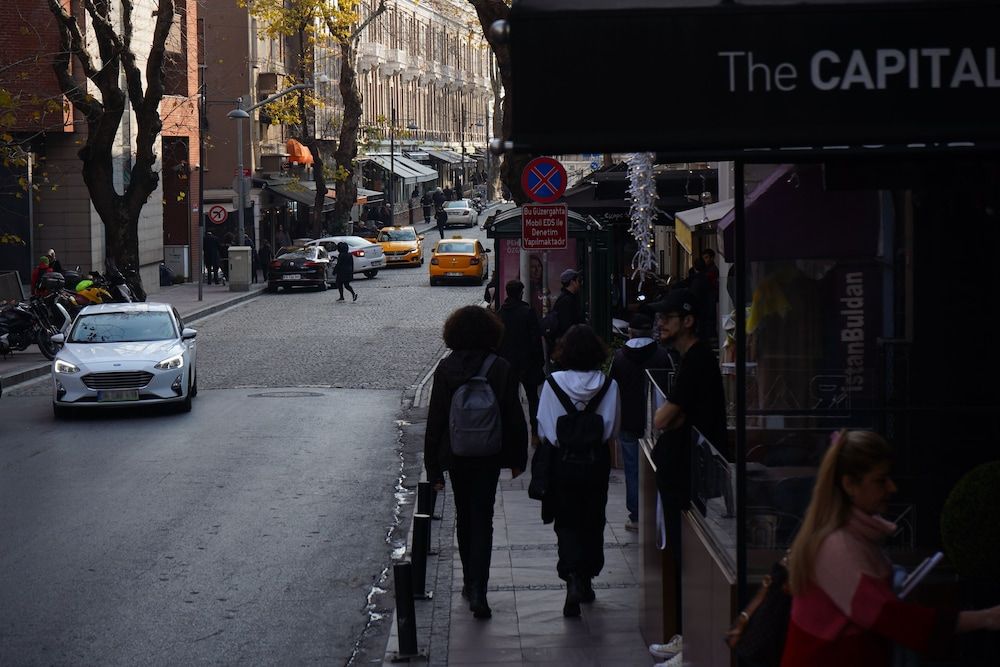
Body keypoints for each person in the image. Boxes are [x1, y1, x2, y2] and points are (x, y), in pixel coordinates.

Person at [782, 429, 1000, 666]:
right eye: (880, 480)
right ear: (849, 485)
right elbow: (891, 617)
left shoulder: (847, 539)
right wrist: (985, 618)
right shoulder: (838, 547)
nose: (892, 488)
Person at [424, 306, 528, 620]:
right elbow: (514, 416)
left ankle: (469, 581)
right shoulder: (500, 367)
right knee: (483, 518)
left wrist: (433, 468)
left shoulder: (446, 368)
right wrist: (517, 458)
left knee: (464, 516)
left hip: (456, 454)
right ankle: (480, 590)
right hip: (489, 454)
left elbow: (436, 419)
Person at [648, 287, 727, 664]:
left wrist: (668, 417)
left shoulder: (696, 361)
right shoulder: (689, 358)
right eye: (658, 317)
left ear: (688, 321)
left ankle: (688, 641)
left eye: (667, 318)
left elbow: (663, 418)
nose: (659, 323)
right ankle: (685, 637)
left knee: (688, 557)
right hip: (686, 470)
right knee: (682, 554)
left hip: (692, 473)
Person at [536, 324, 621, 618]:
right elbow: (612, 428)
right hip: (595, 460)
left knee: (567, 520)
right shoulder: (609, 385)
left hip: (564, 461)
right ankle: (586, 578)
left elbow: (546, 429)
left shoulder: (553, 384)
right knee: (594, 517)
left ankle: (571, 575)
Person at [608, 313, 677, 532]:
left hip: (628, 421)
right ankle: (657, 510)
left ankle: (637, 514)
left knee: (632, 468)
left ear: (630, 332)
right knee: (659, 466)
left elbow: (612, 390)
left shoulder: (619, 358)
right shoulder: (663, 356)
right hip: (658, 422)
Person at [496, 280, 545, 446]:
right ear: (520, 293)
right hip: (527, 363)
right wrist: (539, 361)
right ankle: (535, 434)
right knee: (533, 399)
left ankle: (510, 436)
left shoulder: (501, 313)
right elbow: (535, 340)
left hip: (507, 363)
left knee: (509, 400)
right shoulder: (527, 312)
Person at [548, 268, 585, 347]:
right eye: (578, 281)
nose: (580, 283)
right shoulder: (566, 301)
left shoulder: (567, 298)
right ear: (572, 282)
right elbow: (566, 326)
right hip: (569, 344)